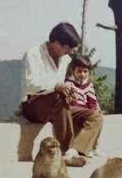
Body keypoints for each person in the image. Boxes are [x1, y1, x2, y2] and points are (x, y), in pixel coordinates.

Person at [20, 22, 102, 167]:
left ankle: (75, 152)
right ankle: (65, 152)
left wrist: (71, 90)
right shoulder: (34, 53)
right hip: (33, 105)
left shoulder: (66, 60)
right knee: (58, 96)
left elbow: (71, 81)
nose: (69, 51)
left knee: (95, 115)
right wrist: (56, 86)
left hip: (60, 106)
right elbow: (31, 83)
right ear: (56, 42)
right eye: (67, 47)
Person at [65, 55, 104, 156]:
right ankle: (78, 149)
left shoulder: (89, 84)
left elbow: (91, 100)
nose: (82, 74)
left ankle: (93, 146)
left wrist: (94, 109)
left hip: (85, 110)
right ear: (73, 71)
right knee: (92, 117)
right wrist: (87, 111)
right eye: (79, 71)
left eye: (85, 71)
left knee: (98, 115)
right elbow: (72, 101)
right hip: (73, 108)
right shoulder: (69, 83)